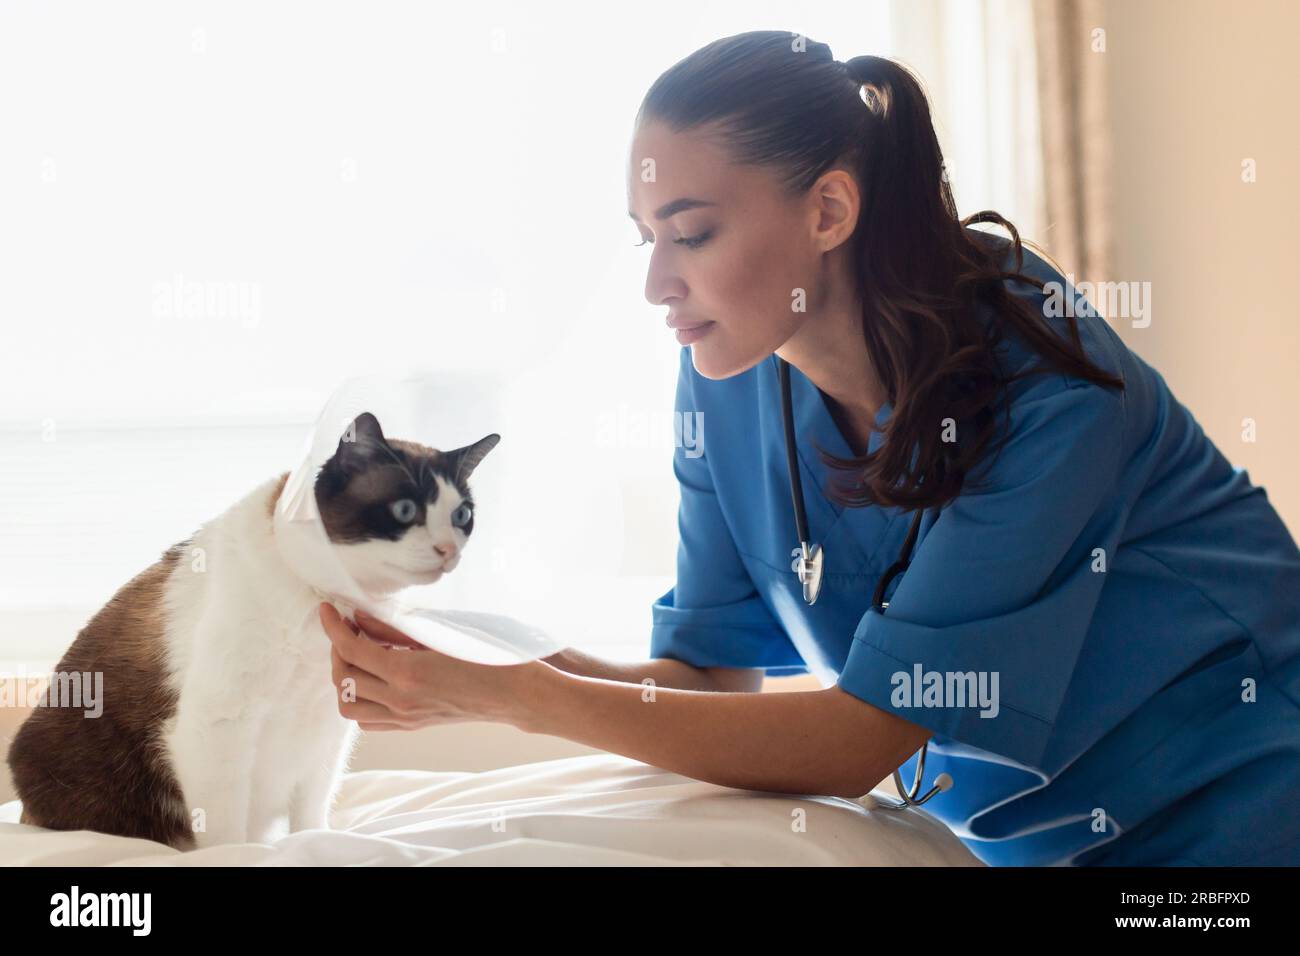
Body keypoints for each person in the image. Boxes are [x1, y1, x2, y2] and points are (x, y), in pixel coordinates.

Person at [317, 31, 1300, 866]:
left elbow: (858, 736)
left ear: (829, 210)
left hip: (1241, 814)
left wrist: (514, 696)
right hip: (1023, 847)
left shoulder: (1047, 382)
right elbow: (705, 681)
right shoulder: (727, 378)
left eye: (691, 233)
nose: (657, 281)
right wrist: (479, 656)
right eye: (643, 239)